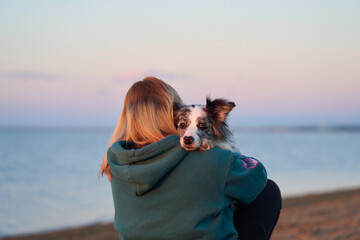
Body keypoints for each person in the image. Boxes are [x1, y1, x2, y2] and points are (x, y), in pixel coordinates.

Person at [99, 77, 281, 240]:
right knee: (268, 191)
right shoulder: (211, 159)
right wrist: (226, 153)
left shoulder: (115, 162)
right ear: (169, 115)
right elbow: (256, 177)